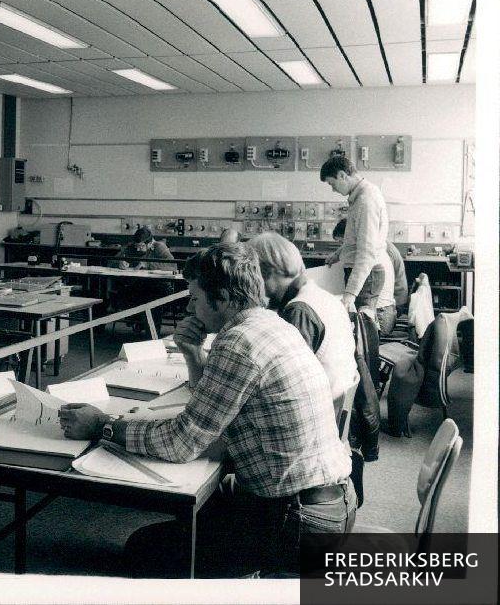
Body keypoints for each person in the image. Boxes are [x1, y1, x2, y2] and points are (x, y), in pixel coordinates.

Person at [59, 244, 356, 577]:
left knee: (145, 549)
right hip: (324, 503)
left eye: (196, 298)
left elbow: (181, 443)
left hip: (298, 521)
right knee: (195, 518)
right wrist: (192, 353)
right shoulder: (271, 325)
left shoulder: (240, 343)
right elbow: (215, 406)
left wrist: (103, 425)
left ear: (225, 298)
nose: (190, 307)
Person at [247, 232, 357, 418]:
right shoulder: (323, 297)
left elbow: (283, 382)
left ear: (267, 273)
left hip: (317, 415)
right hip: (334, 404)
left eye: (253, 278)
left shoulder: (299, 311)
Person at [321, 156, 388, 313]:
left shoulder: (366, 201)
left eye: (332, 183)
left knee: (363, 327)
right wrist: (339, 254)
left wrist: (350, 294)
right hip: (366, 273)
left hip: (367, 274)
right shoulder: (362, 196)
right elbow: (358, 239)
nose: (333, 189)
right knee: (361, 327)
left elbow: (367, 252)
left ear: (343, 175)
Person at [333, 219, 398, 335]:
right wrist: (337, 253)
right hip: (386, 313)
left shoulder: (366, 261)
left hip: (380, 319)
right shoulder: (375, 250)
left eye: (342, 243)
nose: (344, 247)